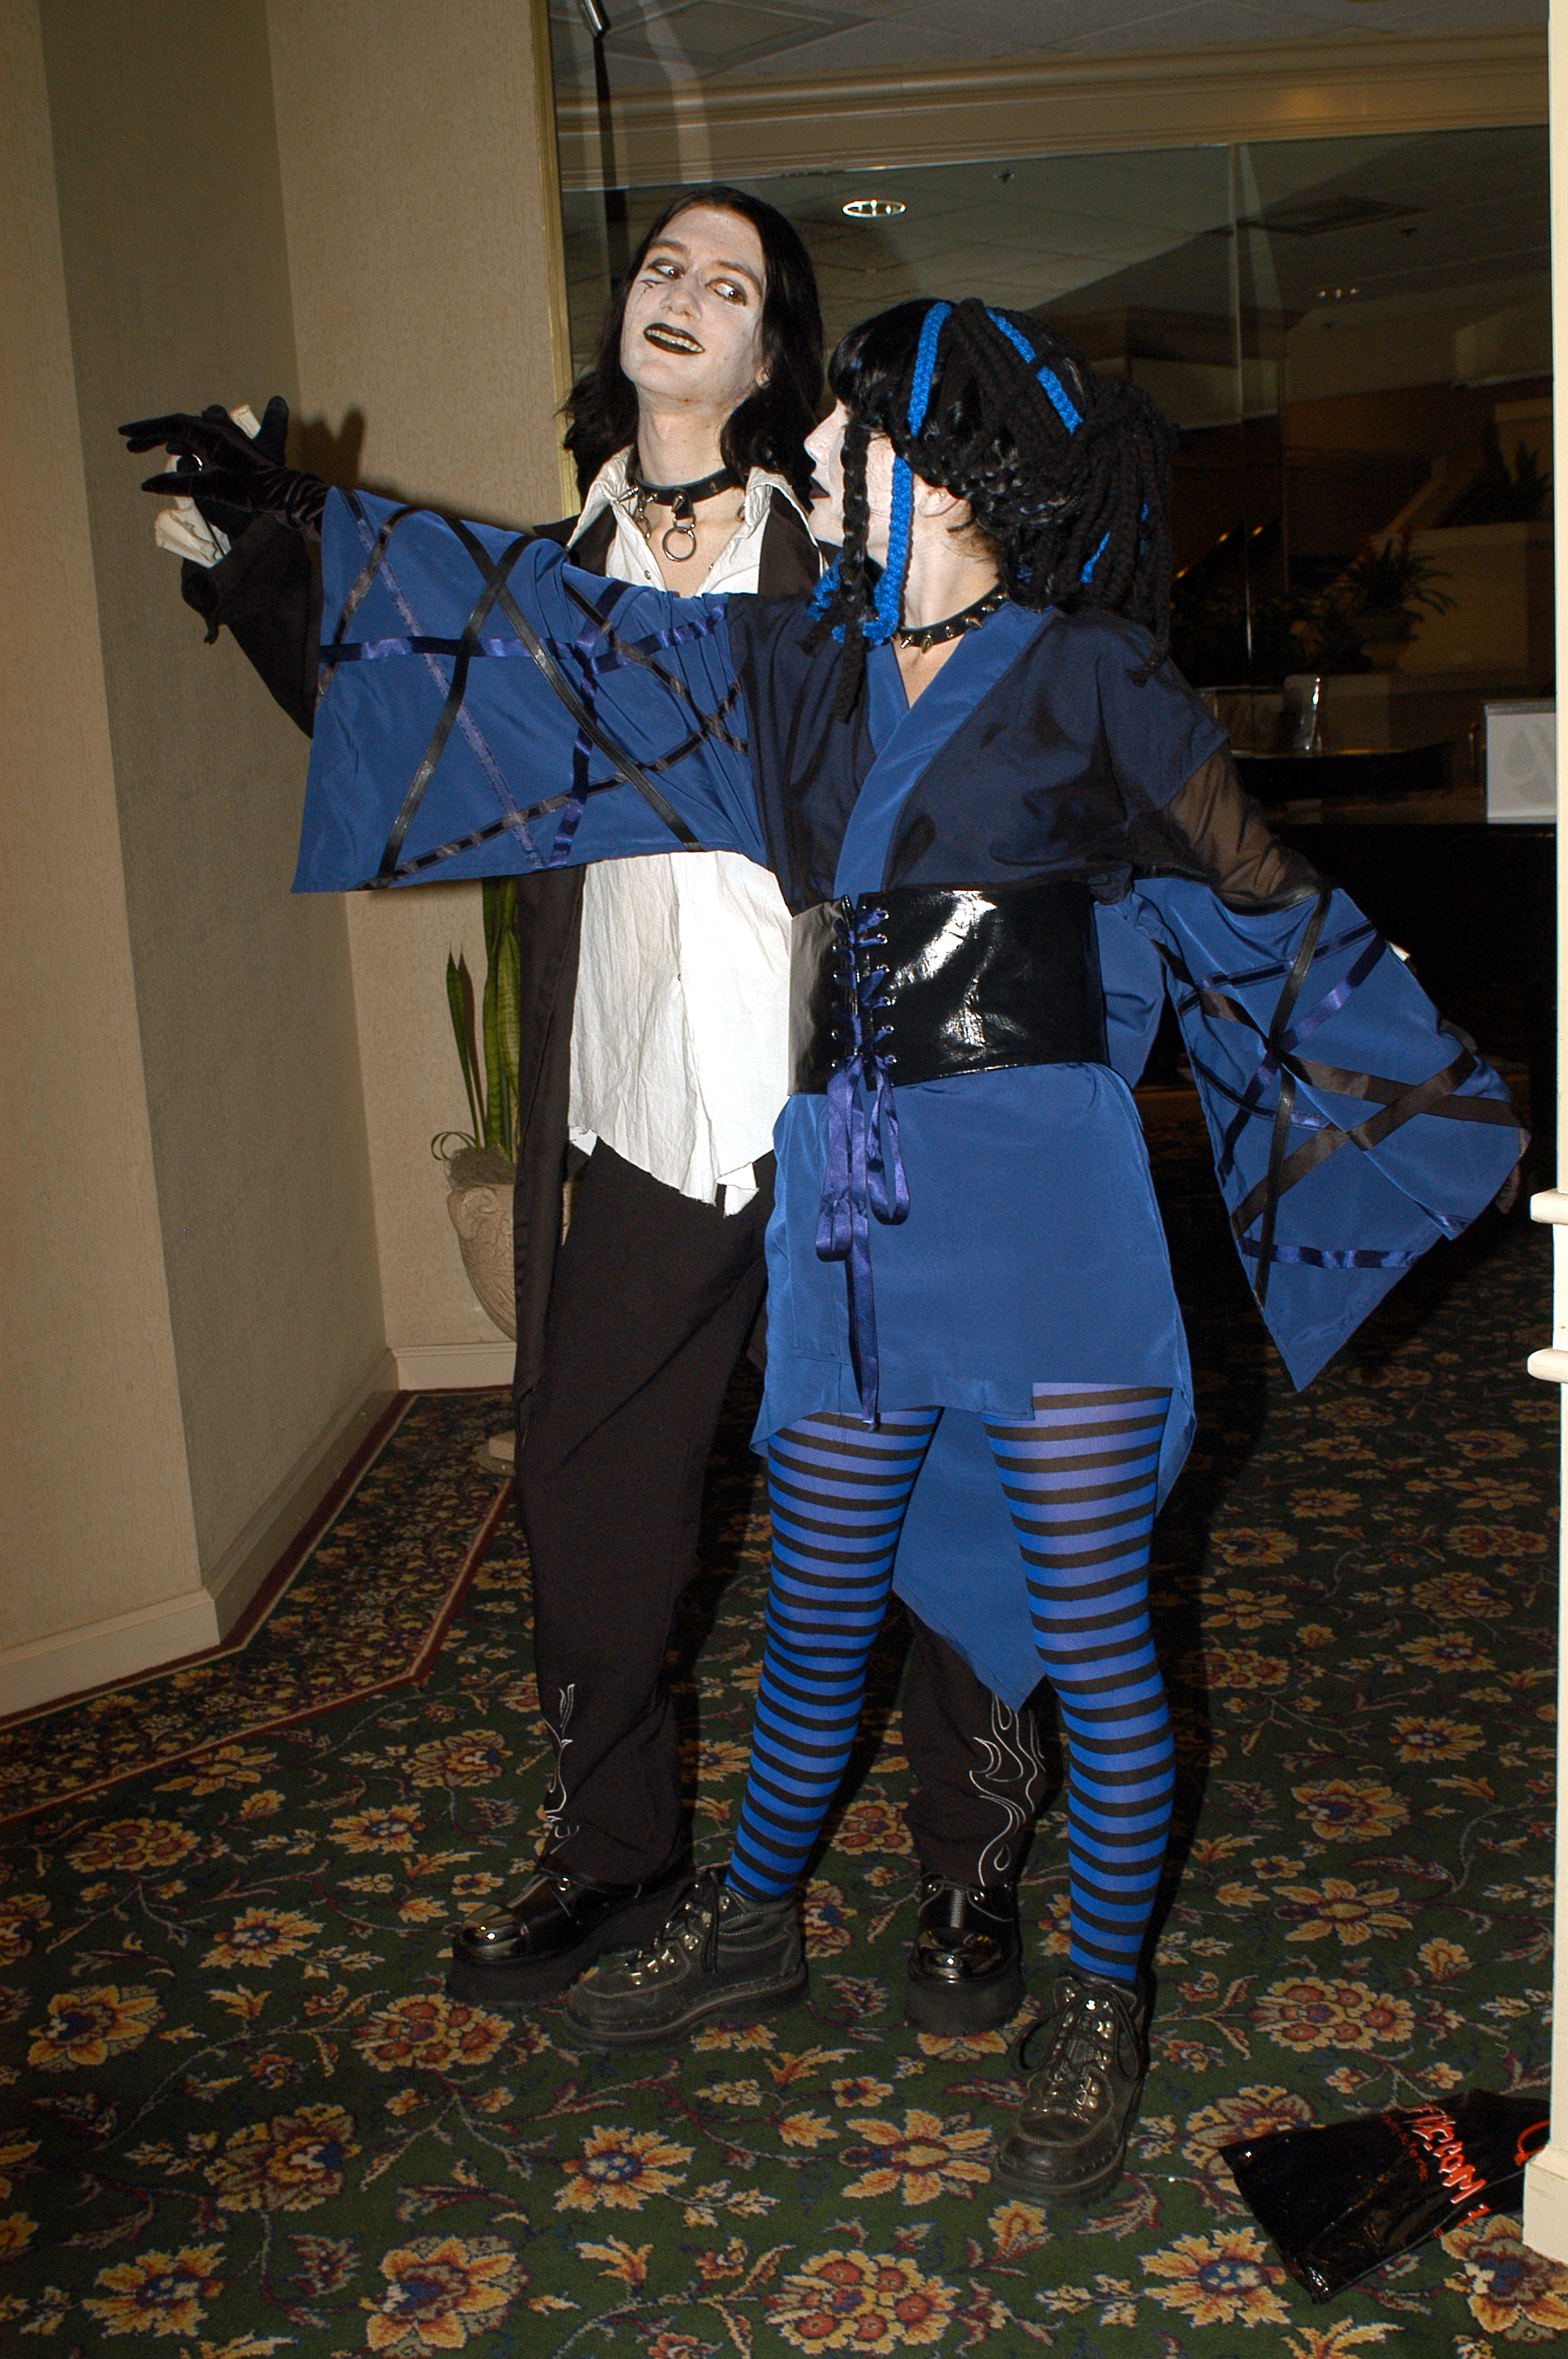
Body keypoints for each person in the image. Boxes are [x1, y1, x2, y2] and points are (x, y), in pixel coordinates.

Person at [123, 296, 1520, 2205]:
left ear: (946, 478)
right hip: (856, 1209)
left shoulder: (1091, 670)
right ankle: (752, 1919)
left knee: (1099, 1643)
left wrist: (1424, 1103)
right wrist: (287, 538)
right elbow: (546, 653)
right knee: (817, 1609)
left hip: (1046, 1214)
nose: (818, 457)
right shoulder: (796, 666)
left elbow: (1264, 901)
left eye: (855, 438)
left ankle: (1095, 1997)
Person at [127, 202, 1058, 2040]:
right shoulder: (554, 573)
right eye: (659, 270)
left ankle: (968, 1861)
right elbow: (408, 739)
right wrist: (266, 565)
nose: (681, 294)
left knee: (937, 1487)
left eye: (729, 282)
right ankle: (614, 1844)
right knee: (587, 1484)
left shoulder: (844, 555)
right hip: (645, 1114)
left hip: (853, 1124)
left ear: (773, 352)